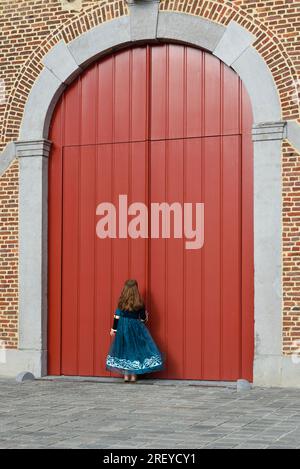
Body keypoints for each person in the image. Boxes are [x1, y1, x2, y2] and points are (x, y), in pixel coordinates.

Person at [106, 279, 165, 383]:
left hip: (122, 328)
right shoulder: (139, 302)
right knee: (134, 350)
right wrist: (146, 316)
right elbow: (142, 319)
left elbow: (117, 316)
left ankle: (126, 376)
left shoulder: (121, 301)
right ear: (136, 290)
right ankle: (133, 376)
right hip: (136, 329)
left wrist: (113, 329)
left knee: (124, 349)